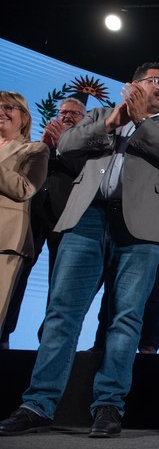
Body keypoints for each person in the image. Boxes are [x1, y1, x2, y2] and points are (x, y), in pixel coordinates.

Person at [0, 62, 159, 438]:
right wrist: (113, 122)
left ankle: (108, 406)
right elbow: (68, 145)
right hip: (87, 219)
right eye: (155, 81)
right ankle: (37, 404)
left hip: (143, 228)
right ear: (133, 85)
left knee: (125, 320)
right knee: (62, 313)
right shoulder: (100, 115)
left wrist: (138, 123)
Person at [0, 98, 83, 348]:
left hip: (65, 217)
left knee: (59, 281)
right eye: (63, 112)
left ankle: (47, 343)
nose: (67, 116)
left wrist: (63, 146)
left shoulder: (86, 147)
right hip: (32, 214)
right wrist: (45, 146)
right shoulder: (33, 145)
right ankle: (4, 332)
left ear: (85, 119)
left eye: (75, 114)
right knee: (16, 275)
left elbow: (89, 176)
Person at [89, 171, 159, 354]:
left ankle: (148, 344)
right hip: (125, 229)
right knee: (112, 290)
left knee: (155, 293)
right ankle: (101, 343)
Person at [0, 91, 49, 331]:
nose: (1, 112)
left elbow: (25, 188)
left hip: (5, 243)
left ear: (25, 117)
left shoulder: (35, 149)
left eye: (9, 107)